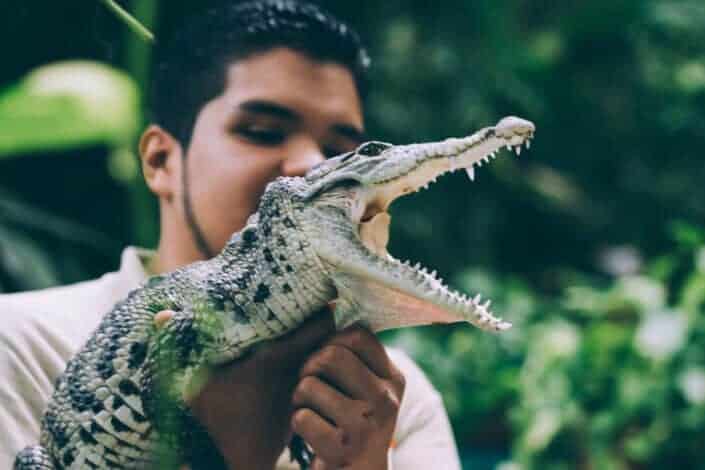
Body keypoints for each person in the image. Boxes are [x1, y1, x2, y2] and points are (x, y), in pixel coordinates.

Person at [0, 1, 462, 469]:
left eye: (339, 150)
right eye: (262, 131)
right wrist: (224, 453)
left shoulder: (398, 398)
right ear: (161, 161)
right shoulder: (16, 344)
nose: (310, 164)